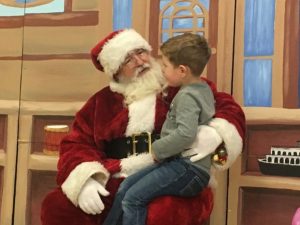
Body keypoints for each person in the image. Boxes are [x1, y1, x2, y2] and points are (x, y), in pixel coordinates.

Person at [41, 29, 245, 225]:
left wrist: (216, 132)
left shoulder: (181, 84)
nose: (140, 62)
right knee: (57, 205)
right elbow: (77, 144)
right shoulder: (101, 102)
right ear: (116, 71)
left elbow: (227, 107)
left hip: (172, 169)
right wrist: (86, 180)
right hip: (116, 173)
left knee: (161, 211)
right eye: (128, 59)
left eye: (140, 52)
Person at [103, 33, 216, 225]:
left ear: (182, 70)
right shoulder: (201, 87)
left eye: (165, 66)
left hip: (188, 169)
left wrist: (156, 150)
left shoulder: (187, 96)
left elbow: (185, 134)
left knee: (132, 199)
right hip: (178, 165)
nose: (161, 70)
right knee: (125, 189)